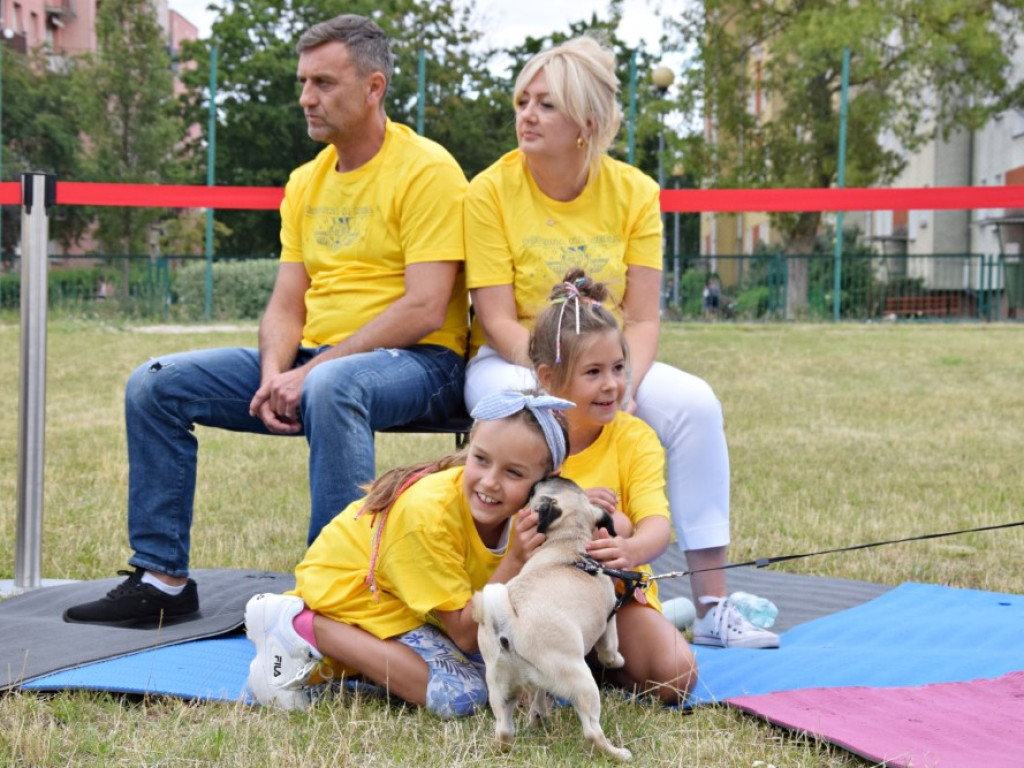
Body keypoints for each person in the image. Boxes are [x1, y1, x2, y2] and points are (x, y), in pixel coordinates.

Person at [64, 14, 469, 626]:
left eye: (324, 83)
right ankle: (162, 581)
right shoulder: (306, 181)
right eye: (304, 81)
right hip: (317, 360)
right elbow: (287, 301)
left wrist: (312, 373)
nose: (306, 97)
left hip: (421, 364)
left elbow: (424, 306)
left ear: (374, 88)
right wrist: (275, 374)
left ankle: (333, 604)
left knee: (334, 385)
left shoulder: (427, 170)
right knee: (156, 381)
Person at [463, 36, 778, 649]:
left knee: (693, 402)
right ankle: (520, 591)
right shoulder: (489, 190)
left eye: (545, 105)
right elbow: (498, 318)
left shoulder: (635, 191)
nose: (526, 114)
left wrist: (621, 382)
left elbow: (642, 320)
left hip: (609, 357)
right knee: (521, 407)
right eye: (522, 100)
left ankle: (712, 603)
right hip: (515, 359)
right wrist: (557, 380)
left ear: (587, 123)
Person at [243, 390, 572, 716]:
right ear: (469, 445)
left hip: (413, 602)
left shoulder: (538, 513)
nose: (490, 482)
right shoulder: (428, 517)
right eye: (481, 459)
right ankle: (298, 624)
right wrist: (515, 560)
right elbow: (467, 636)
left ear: (546, 481)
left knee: (529, 680)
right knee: (460, 693)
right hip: (354, 590)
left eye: (513, 472)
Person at [528, 269, 696, 704]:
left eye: (619, 368)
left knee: (676, 675)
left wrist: (631, 549)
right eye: (593, 372)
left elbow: (656, 524)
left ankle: (599, 660)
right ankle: (571, 654)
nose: (611, 384)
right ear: (548, 378)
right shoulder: (526, 435)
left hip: (616, 594)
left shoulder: (635, 437)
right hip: (542, 590)